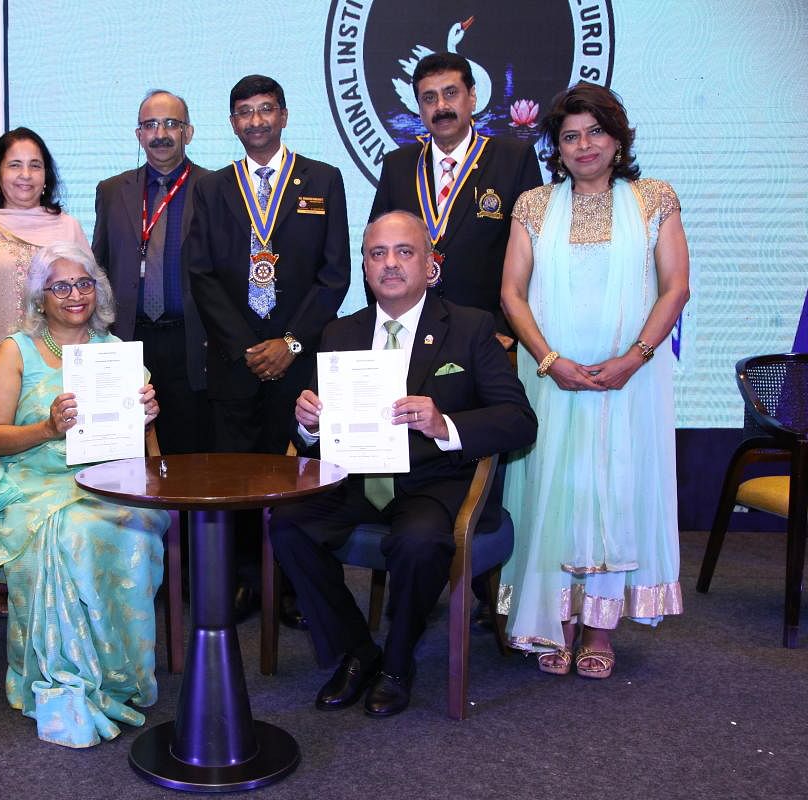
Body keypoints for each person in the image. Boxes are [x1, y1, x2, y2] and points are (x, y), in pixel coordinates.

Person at [268, 211, 536, 717]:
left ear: (431, 265)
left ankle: (397, 662)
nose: (390, 264)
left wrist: (445, 424)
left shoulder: (471, 327)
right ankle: (357, 649)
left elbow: (520, 420)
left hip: (432, 481)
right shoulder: (339, 332)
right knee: (288, 526)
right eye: (377, 254)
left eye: (404, 252)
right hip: (352, 478)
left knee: (419, 541)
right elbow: (310, 432)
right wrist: (307, 423)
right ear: (365, 266)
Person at [497, 83, 690, 679]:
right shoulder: (533, 204)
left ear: (617, 138)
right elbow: (512, 292)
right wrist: (551, 361)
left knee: (614, 488)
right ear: (557, 146)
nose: (583, 146)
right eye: (570, 136)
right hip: (553, 377)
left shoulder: (654, 198)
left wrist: (634, 358)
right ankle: (551, 619)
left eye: (595, 133)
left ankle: (600, 629)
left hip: (630, 380)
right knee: (555, 491)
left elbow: (675, 288)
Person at [0, 241, 170, 748]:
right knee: (71, 529)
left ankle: (118, 674)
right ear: (40, 299)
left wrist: (146, 421)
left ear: (97, 292)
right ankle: (67, 680)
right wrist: (47, 427)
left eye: (83, 284)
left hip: (109, 480)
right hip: (33, 480)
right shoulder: (16, 351)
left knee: (132, 524)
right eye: (59, 286)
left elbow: (151, 457)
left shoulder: (119, 356)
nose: (74, 294)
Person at [186, 74, 350, 621]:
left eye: (266, 110)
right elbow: (202, 273)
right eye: (244, 113)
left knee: (300, 477)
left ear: (284, 114)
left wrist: (290, 342)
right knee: (235, 475)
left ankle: (296, 583)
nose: (256, 121)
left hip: (300, 360)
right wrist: (249, 346)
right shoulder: (212, 187)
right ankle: (244, 582)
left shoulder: (323, 180)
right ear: (232, 122)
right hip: (236, 361)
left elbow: (334, 276)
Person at [369, 53, 542, 347]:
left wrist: (508, 329)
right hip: (412, 335)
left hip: (489, 337)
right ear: (419, 108)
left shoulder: (513, 159)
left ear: (472, 97)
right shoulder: (398, 165)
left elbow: (536, 254)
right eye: (429, 98)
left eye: (451, 93)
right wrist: (390, 325)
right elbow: (374, 251)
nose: (441, 107)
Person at [93, 90, 211, 455]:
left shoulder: (214, 187)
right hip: (128, 338)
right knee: (128, 454)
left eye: (171, 123)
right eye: (151, 124)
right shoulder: (112, 191)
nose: (161, 132)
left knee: (190, 453)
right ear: (138, 134)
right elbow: (100, 265)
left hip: (190, 340)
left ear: (188, 132)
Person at [0, 127, 89, 402]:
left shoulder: (68, 228)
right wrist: (7, 365)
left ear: (46, 175)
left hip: (57, 377)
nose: (25, 175)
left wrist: (41, 367)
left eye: (35, 166)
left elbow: (88, 298)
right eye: (15, 165)